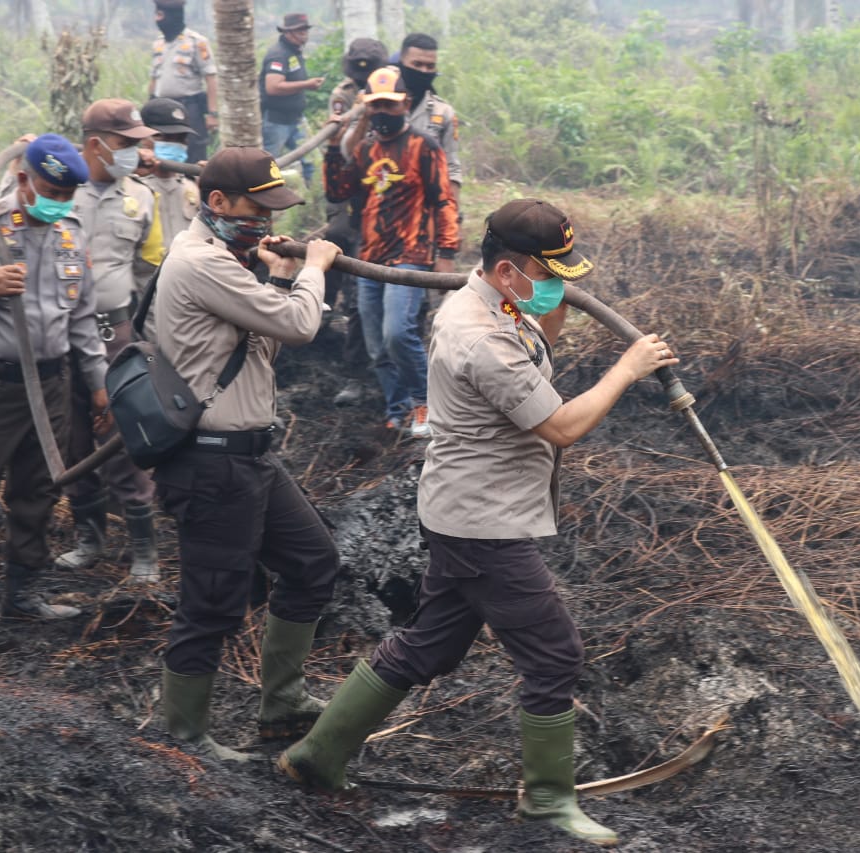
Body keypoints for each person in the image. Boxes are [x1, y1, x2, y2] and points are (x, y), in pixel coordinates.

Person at [279, 198, 679, 847]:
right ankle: (548, 800)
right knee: (555, 653)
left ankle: (318, 753)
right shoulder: (479, 335)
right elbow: (564, 426)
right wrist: (627, 368)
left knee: (429, 643)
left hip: (465, 510)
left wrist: (547, 301)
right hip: (482, 523)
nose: (560, 285)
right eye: (547, 272)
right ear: (505, 269)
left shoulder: (498, 303)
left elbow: (540, 346)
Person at [146, 147, 343, 760]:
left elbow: (265, 347)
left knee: (313, 562)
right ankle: (184, 739)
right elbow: (302, 325)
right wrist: (313, 267)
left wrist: (280, 276)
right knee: (212, 604)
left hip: (251, 455)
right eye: (256, 209)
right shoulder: (202, 262)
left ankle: (282, 705)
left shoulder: (226, 261)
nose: (263, 221)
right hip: (213, 462)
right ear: (217, 204)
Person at [58, 99, 164, 585]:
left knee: (121, 435)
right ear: (95, 143)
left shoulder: (142, 197)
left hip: (115, 333)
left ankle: (145, 550)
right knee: (73, 439)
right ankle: (89, 538)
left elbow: (150, 266)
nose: (136, 150)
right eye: (126, 143)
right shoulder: (56, 189)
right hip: (57, 337)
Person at [323, 66, 458, 438]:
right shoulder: (365, 148)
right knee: (376, 342)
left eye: (390, 105)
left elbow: (443, 200)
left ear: (406, 104)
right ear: (366, 107)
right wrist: (334, 145)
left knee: (399, 332)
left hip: (410, 254)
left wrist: (446, 251)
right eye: (375, 105)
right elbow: (338, 191)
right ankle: (395, 408)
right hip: (369, 259)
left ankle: (424, 403)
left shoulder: (424, 147)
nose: (382, 112)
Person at [0, 135, 101, 620]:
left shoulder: (72, 233)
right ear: (24, 179)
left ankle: (22, 594)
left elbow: (83, 315)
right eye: (51, 192)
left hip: (52, 384)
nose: (59, 204)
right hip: (0, 382)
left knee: (38, 487)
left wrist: (98, 382)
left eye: (67, 196)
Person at [326, 37, 388, 408]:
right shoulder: (345, 95)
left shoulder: (398, 90)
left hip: (396, 203)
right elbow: (339, 152)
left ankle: (398, 371)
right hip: (355, 198)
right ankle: (355, 373)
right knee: (356, 287)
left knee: (405, 298)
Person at [149, 0, 219, 164]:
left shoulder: (197, 42)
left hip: (189, 107)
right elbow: (154, 78)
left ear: (172, 16)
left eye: (160, 15)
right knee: (162, 151)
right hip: (162, 107)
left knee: (194, 150)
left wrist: (212, 113)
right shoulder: (158, 44)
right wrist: (150, 106)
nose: (156, 20)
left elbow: (210, 78)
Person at [398, 33, 463, 207]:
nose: (423, 71)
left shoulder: (443, 112)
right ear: (402, 63)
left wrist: (454, 214)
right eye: (417, 64)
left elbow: (452, 167)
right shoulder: (381, 106)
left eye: (430, 66)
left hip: (426, 203)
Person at [259, 13, 325, 184]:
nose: (304, 33)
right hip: (276, 121)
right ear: (288, 32)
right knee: (267, 167)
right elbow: (272, 87)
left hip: (296, 120)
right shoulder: (278, 54)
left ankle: (315, 203)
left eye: (305, 29)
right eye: (299, 30)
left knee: (313, 163)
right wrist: (306, 85)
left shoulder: (294, 52)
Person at [138, 98, 200, 247]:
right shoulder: (129, 187)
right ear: (143, 138)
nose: (173, 143)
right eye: (163, 136)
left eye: (180, 138)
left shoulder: (193, 187)